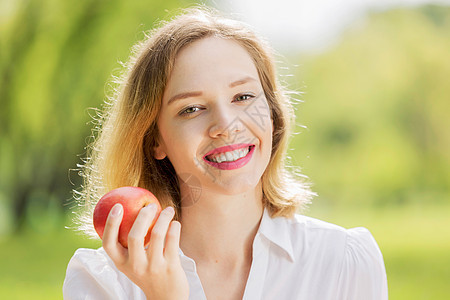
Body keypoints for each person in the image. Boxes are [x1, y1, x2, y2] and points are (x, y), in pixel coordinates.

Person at [63, 7, 388, 300]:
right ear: (154, 141)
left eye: (243, 96)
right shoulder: (105, 281)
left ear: (273, 113)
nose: (226, 125)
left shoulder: (344, 261)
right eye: (191, 108)